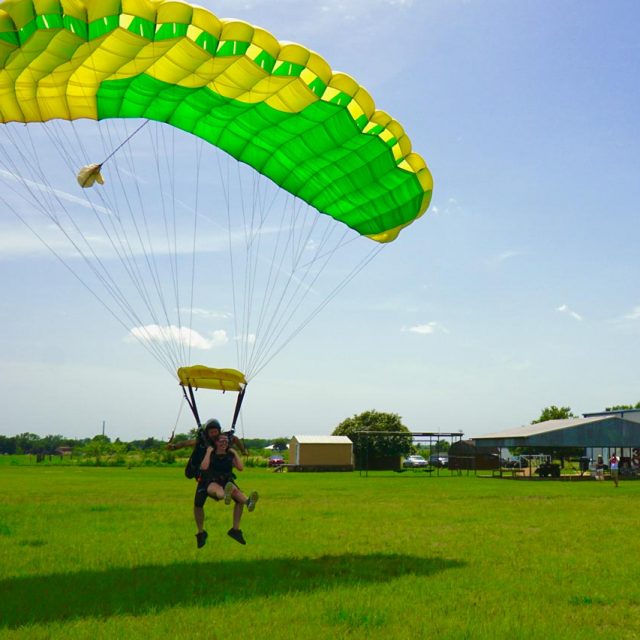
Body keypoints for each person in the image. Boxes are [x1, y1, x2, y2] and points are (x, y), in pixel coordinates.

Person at [195, 433, 259, 547]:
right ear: (216, 442)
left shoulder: (230, 455)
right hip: (211, 481)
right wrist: (209, 452)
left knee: (235, 490)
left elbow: (240, 468)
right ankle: (226, 496)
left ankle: (248, 503)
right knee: (219, 490)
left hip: (226, 481)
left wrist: (235, 452)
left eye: (226, 441)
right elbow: (203, 467)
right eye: (221, 441)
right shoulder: (211, 453)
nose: (224, 443)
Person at [167, 418, 247, 455]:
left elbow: (235, 439)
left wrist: (243, 451)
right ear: (207, 433)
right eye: (211, 432)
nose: (214, 434)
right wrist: (174, 447)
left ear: (219, 431)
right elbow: (186, 443)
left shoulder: (224, 438)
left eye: (215, 432)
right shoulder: (203, 441)